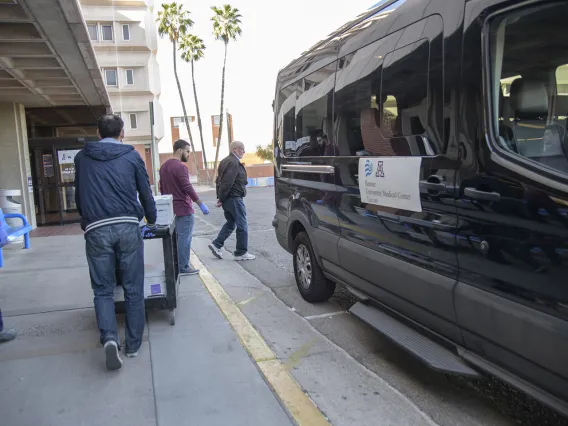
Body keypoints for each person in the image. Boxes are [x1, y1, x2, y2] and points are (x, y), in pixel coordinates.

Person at [75, 114, 157, 371]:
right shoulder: (132, 156)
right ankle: (132, 345)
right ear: (122, 133)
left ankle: (110, 338)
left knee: (102, 290)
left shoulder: (81, 157)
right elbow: (145, 191)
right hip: (127, 226)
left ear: (98, 133)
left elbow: (79, 194)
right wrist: (152, 219)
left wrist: (86, 221)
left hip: (96, 228)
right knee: (133, 287)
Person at [159, 139, 209, 275]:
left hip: (171, 210)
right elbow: (187, 187)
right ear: (179, 151)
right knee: (185, 239)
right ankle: (184, 267)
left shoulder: (163, 167)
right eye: (187, 151)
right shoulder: (181, 167)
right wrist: (200, 203)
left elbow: (161, 188)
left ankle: (177, 265)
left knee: (175, 239)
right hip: (184, 209)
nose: (188, 155)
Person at [209, 141, 255, 261]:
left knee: (231, 223)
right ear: (235, 150)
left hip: (228, 199)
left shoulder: (225, 161)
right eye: (242, 149)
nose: (243, 152)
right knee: (242, 224)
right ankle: (241, 252)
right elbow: (227, 182)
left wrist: (220, 198)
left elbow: (219, 181)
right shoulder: (234, 162)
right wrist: (221, 198)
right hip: (234, 198)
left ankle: (217, 244)